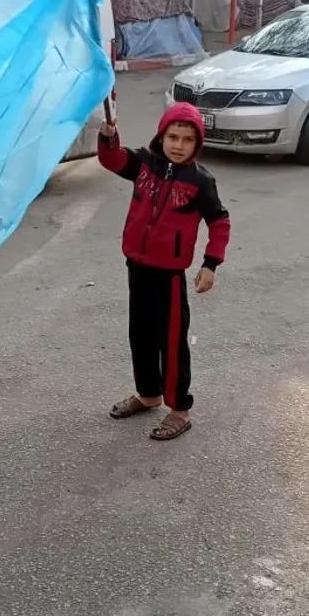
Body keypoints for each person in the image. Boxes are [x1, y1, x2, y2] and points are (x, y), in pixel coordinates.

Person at [98, 102, 230, 440]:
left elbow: (219, 222)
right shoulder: (144, 164)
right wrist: (108, 136)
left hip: (169, 275)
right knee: (140, 335)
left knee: (171, 343)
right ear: (161, 136)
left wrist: (210, 263)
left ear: (197, 143)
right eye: (173, 137)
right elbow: (113, 160)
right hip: (137, 266)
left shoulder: (200, 181)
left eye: (187, 139)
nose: (179, 145)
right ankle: (149, 394)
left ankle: (180, 409)